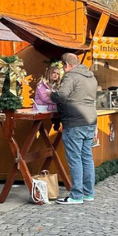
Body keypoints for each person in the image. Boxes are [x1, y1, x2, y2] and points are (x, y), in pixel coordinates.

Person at [50, 53, 97, 205]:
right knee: (87, 158)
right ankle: (88, 193)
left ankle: (76, 195)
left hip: (74, 122)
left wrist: (51, 94)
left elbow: (62, 95)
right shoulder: (91, 76)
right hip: (90, 121)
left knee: (75, 159)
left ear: (66, 65)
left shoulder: (71, 76)